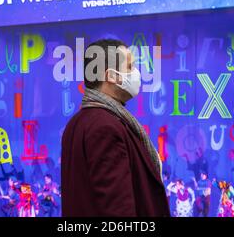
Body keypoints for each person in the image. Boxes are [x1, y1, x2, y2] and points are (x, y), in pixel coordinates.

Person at [61, 39, 170, 217]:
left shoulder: (79, 122)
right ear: (111, 76)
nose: (136, 73)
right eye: (130, 66)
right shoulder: (105, 127)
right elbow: (118, 209)